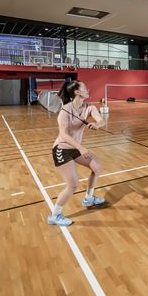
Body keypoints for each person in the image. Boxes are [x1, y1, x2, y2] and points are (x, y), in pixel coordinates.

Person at [48, 80, 106, 227]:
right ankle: (55, 215)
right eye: (85, 88)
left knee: (97, 167)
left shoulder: (89, 107)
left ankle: (88, 198)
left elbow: (101, 120)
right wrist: (80, 148)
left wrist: (97, 125)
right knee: (73, 184)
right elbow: (64, 135)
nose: (88, 89)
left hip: (75, 148)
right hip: (62, 149)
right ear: (77, 92)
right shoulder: (64, 111)